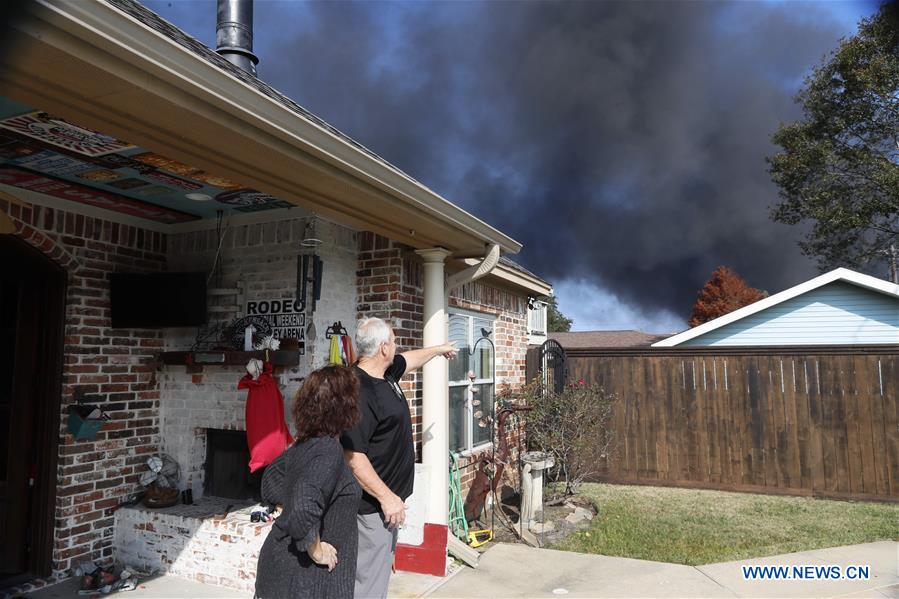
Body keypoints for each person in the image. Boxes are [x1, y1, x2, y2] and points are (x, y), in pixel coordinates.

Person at [340, 317, 457, 599]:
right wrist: (386, 497)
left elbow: (410, 359)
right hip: (372, 507)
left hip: (389, 505)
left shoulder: (387, 374)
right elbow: (353, 455)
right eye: (393, 340)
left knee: (378, 575)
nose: (396, 346)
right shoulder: (359, 389)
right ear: (383, 348)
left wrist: (439, 349)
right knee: (368, 582)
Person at [255, 365, 362, 599]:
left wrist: (293, 502)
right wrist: (316, 550)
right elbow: (304, 504)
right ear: (344, 405)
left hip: (281, 571)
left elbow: (270, 481)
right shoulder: (328, 450)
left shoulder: (304, 445)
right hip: (304, 579)